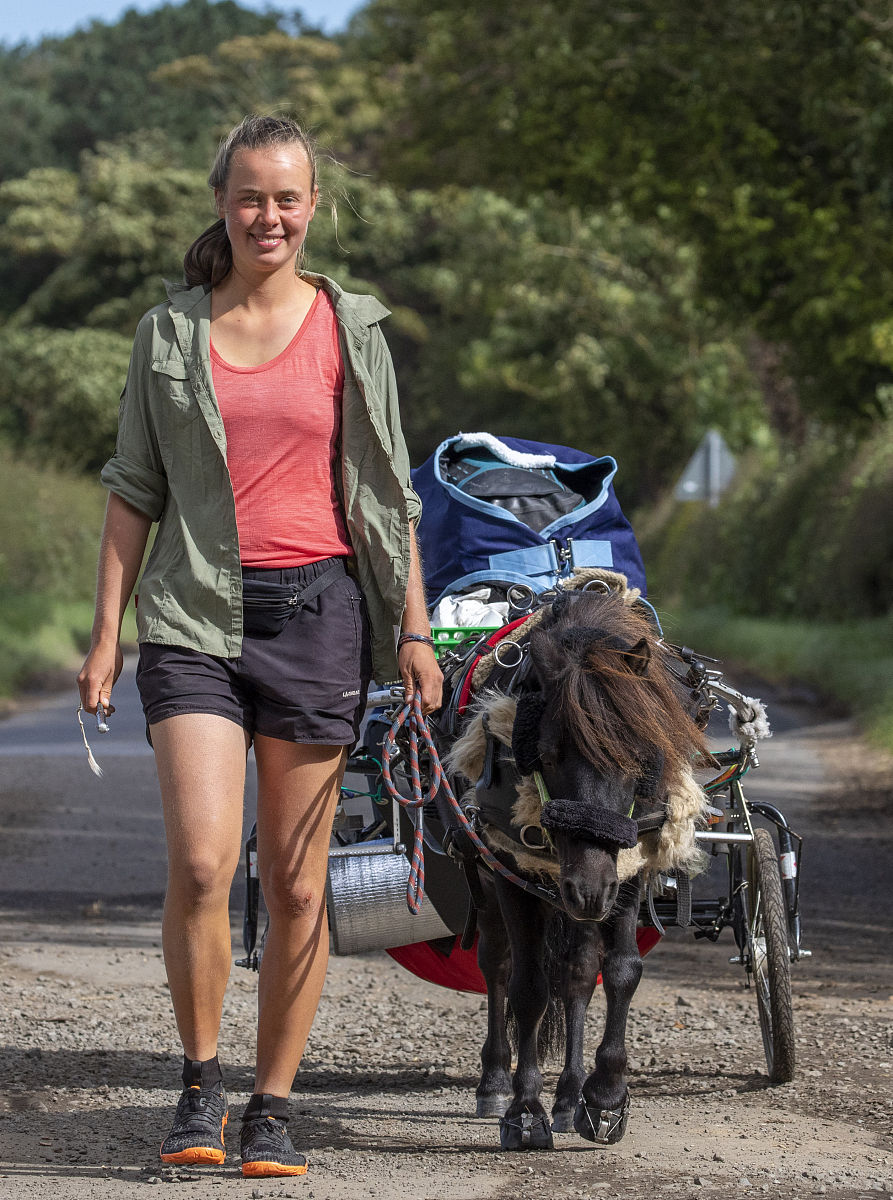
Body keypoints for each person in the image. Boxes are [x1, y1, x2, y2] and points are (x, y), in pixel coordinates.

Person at [77, 114, 442, 1178]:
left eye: (286, 198)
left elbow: (386, 493)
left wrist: (412, 625)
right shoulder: (167, 332)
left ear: (312, 206)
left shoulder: (351, 326)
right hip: (191, 616)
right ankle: (200, 1083)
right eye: (249, 197)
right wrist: (106, 633)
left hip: (319, 614)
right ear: (221, 204)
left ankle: (272, 1104)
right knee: (199, 861)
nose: (267, 216)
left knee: (294, 885)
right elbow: (132, 491)